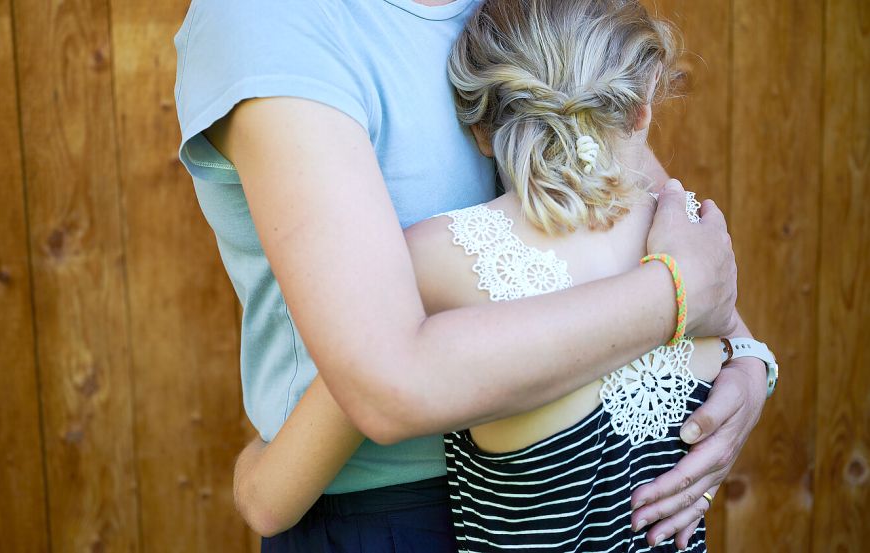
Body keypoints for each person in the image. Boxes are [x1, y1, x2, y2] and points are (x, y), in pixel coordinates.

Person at [173, 0, 769, 551]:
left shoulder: (437, 256)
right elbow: (389, 383)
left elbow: (691, 265)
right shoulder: (272, 23)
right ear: (644, 103)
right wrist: (677, 297)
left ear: (480, 130)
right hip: (390, 516)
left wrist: (748, 365)